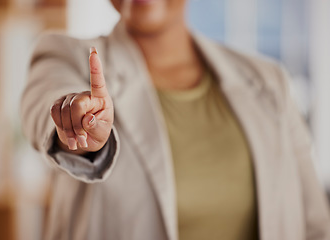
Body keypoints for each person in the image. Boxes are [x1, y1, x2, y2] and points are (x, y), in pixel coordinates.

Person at [21, 0, 330, 239]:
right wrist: (78, 129)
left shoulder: (269, 82)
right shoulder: (65, 56)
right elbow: (45, 109)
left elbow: (314, 225)